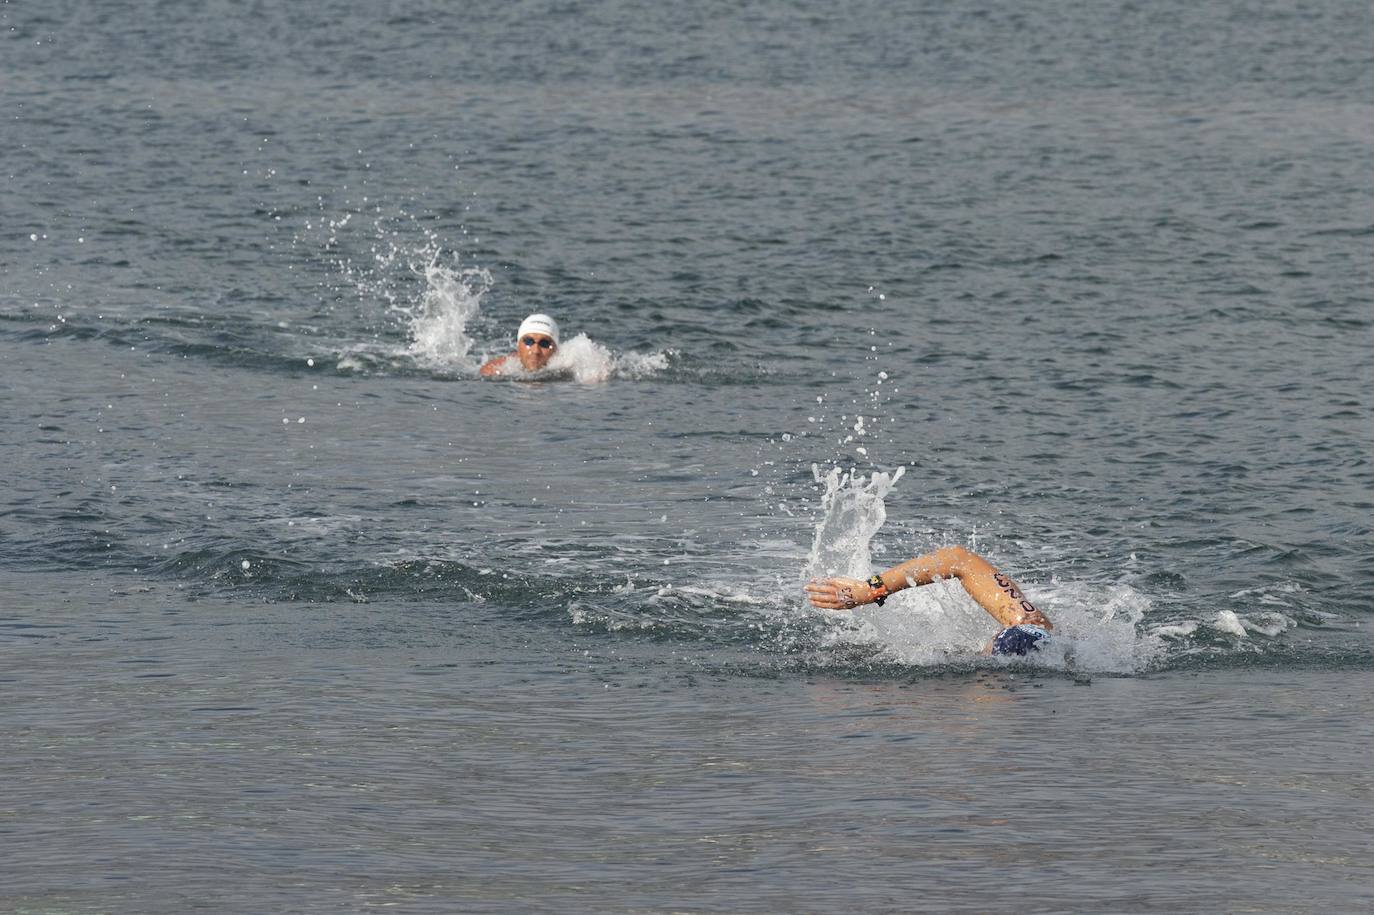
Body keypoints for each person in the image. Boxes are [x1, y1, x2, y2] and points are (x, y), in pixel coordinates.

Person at [804, 545, 1052, 655]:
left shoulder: (1027, 627)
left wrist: (869, 591)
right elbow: (957, 558)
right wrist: (870, 590)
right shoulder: (1028, 625)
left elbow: (958, 558)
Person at [480, 313, 560, 377]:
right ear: (518, 345)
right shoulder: (496, 370)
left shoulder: (566, 371)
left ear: (556, 349)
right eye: (529, 342)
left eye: (544, 343)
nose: (535, 350)